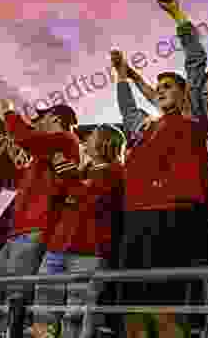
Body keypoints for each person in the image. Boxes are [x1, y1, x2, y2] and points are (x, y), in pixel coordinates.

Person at [111, 0, 208, 338]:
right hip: (137, 219)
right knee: (134, 309)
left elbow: (195, 63)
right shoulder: (145, 129)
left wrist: (179, 16)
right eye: (159, 86)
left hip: (178, 216)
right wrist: (122, 76)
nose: (162, 89)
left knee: (169, 309)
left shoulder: (193, 116)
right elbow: (127, 110)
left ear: (185, 94)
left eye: (169, 86)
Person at [0, 101, 80, 338]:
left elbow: (26, 138)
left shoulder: (65, 139)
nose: (37, 122)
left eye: (42, 117)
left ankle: (6, 332)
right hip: (19, 229)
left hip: (36, 226)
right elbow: (12, 177)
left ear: (55, 118)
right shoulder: (42, 155)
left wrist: (9, 112)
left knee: (16, 289)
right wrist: (3, 156)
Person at [31, 124, 125, 338]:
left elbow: (90, 199)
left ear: (106, 143)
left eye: (91, 137)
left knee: (76, 313)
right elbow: (58, 199)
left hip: (88, 251)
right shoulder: (82, 171)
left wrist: (70, 178)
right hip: (57, 247)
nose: (85, 141)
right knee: (43, 308)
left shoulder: (116, 172)